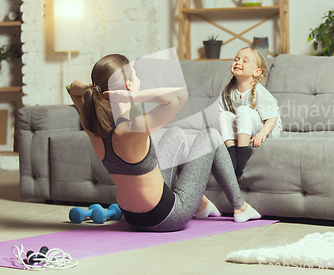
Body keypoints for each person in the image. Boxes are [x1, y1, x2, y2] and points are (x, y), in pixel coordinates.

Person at [68, 53, 261, 232]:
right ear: (128, 86)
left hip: (132, 219)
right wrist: (133, 97)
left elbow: (74, 87)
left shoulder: (91, 127)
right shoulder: (132, 128)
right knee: (211, 136)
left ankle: (202, 206)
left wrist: (96, 91)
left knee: (175, 134)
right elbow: (179, 96)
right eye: (134, 76)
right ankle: (240, 207)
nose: (138, 80)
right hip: (166, 217)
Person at [219, 47, 282, 177]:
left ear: (257, 72)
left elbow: (272, 117)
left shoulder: (259, 91)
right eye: (236, 59)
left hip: (266, 128)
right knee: (224, 115)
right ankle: (232, 151)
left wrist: (263, 133)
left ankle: (242, 151)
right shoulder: (228, 91)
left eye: (245, 61)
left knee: (243, 110)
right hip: (244, 126)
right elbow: (227, 118)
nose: (238, 62)